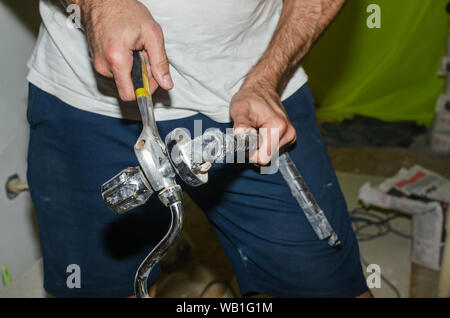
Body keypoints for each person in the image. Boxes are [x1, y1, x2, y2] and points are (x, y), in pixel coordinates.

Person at [26, 0, 370, 297]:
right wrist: (99, 6)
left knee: (325, 284)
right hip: (88, 98)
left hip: (253, 95)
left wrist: (267, 80)